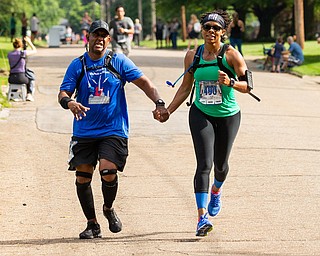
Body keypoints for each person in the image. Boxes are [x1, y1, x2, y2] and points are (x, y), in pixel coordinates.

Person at [58, 20, 165, 239]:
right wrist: (69, 102)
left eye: (103, 36)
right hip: (84, 130)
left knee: (107, 172)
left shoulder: (118, 61)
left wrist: (160, 102)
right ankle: (92, 224)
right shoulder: (78, 65)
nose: (99, 39)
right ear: (88, 37)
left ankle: (108, 208)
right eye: (95, 35)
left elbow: (145, 83)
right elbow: (63, 93)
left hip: (113, 129)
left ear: (108, 39)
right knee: (82, 178)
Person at [153, 9, 251, 237]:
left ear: (223, 32)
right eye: (207, 27)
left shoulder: (232, 55)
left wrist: (232, 83)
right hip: (201, 112)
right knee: (204, 164)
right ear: (202, 30)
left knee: (221, 166)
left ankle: (216, 190)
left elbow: (249, 86)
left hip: (228, 115)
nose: (210, 32)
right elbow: (186, 87)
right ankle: (201, 217)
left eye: (216, 28)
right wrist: (168, 110)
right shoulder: (192, 56)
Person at [8, 37, 37, 101]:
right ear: (21, 45)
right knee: (31, 77)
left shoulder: (9, 54)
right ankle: (29, 94)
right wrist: (29, 42)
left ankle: (13, 94)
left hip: (11, 78)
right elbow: (35, 50)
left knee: (18, 80)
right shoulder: (23, 53)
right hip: (21, 78)